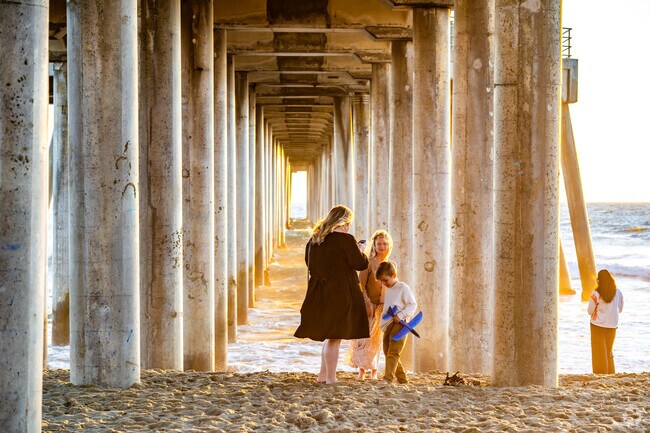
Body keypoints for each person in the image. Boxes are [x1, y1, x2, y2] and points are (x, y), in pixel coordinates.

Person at [294, 205, 370, 384]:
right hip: (340, 291)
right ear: (344, 222)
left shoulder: (314, 240)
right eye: (348, 223)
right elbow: (360, 264)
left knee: (330, 335)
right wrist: (361, 250)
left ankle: (322, 375)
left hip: (319, 291)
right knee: (335, 336)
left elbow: (309, 263)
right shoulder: (345, 239)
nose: (349, 227)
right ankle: (331, 378)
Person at [344, 230, 393, 381]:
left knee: (377, 340)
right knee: (364, 338)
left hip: (384, 307)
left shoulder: (391, 265)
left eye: (385, 243)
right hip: (369, 304)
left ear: (389, 245)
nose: (382, 246)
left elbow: (393, 286)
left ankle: (374, 371)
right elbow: (361, 285)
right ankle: (362, 371)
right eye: (379, 244)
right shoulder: (369, 262)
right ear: (374, 245)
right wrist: (366, 304)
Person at [376, 260, 417, 385]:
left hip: (401, 324)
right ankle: (402, 379)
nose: (384, 283)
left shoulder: (403, 288)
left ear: (393, 275)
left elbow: (412, 304)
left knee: (393, 352)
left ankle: (388, 378)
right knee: (387, 350)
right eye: (382, 281)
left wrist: (400, 315)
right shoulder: (390, 289)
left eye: (385, 280)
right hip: (390, 324)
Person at [587, 269, 624, 374]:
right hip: (612, 326)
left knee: (599, 352)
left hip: (597, 325)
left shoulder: (596, 293)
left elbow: (590, 311)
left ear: (599, 280)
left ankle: (600, 373)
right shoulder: (618, 293)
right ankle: (611, 373)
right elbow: (620, 309)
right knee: (609, 352)